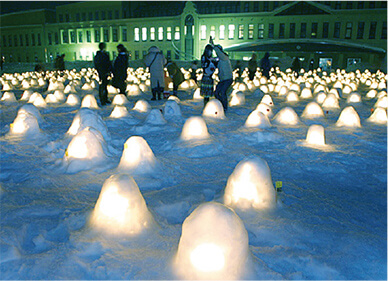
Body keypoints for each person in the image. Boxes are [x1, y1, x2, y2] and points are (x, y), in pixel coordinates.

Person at [209, 37, 233, 112]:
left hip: (228, 79)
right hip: (223, 79)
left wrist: (213, 45)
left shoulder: (224, 57)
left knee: (222, 92)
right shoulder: (220, 59)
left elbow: (219, 54)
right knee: (216, 92)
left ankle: (224, 107)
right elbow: (215, 59)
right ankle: (220, 105)